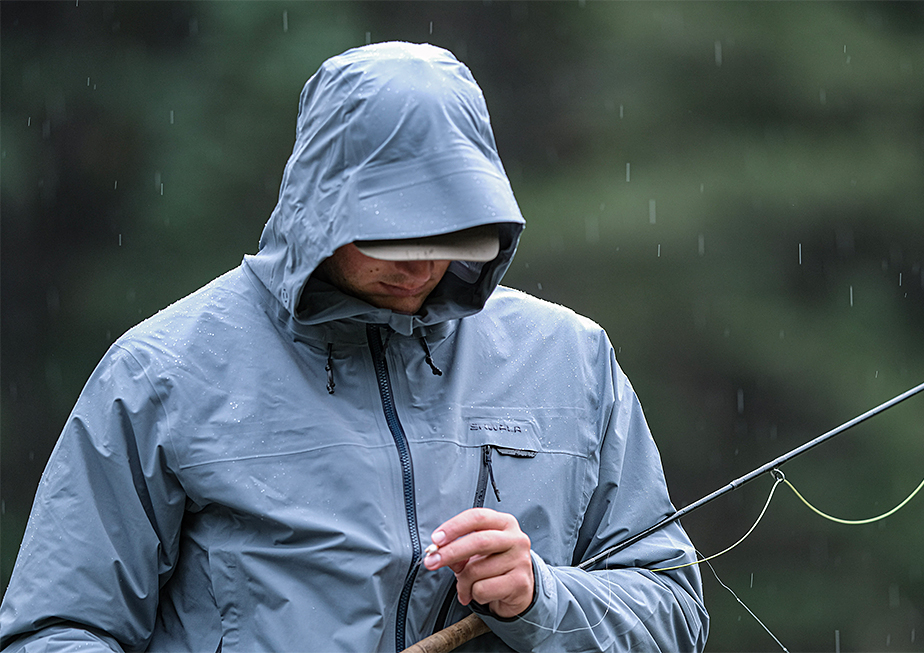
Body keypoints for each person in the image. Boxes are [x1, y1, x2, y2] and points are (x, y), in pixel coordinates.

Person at [0, 42, 708, 652]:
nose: (418, 266)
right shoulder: (159, 373)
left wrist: (540, 599)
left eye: (451, 237)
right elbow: (56, 627)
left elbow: (674, 616)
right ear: (321, 206)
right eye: (392, 236)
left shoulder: (572, 361)